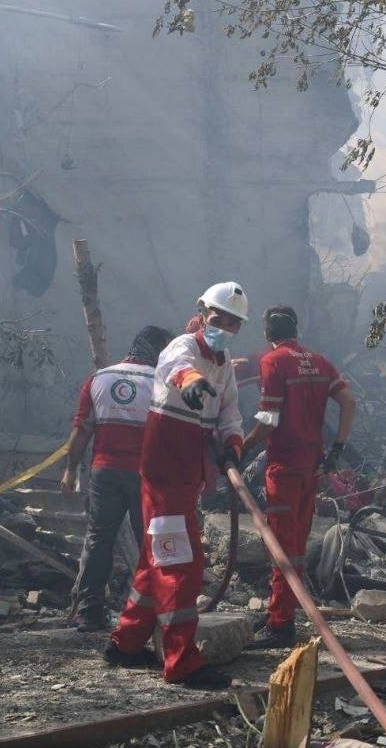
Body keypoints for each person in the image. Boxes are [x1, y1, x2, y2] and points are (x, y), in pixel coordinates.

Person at [103, 282, 248, 689]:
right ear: (203, 314)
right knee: (180, 565)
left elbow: (230, 415)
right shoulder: (181, 347)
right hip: (164, 473)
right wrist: (190, 382)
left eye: (233, 323)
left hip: (187, 476)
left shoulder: (224, 365)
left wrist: (232, 446)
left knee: (156, 562)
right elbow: (174, 368)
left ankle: (127, 643)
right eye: (219, 319)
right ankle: (182, 661)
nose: (225, 327)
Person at [242, 305, 355, 649]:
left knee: (281, 546)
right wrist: (336, 450)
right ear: (296, 330)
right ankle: (283, 610)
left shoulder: (273, 362)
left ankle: (280, 625)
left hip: (284, 467)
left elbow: (269, 418)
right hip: (311, 467)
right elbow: (349, 402)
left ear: (267, 334)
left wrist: (242, 447)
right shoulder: (320, 361)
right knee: (296, 545)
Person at [62, 326, 173, 632]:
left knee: (99, 540)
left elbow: (81, 430)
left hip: (104, 472)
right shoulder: (161, 383)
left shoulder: (99, 378)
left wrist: (70, 469)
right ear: (159, 351)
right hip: (145, 476)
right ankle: (149, 613)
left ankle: (90, 612)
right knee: (149, 543)